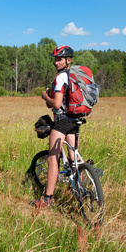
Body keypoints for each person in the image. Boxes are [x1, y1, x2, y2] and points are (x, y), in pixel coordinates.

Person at [33, 45, 77, 208]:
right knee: (73, 159)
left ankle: (47, 199)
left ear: (68, 60)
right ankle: (77, 187)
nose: (56, 62)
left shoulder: (60, 78)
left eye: (59, 59)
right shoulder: (74, 76)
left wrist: (45, 96)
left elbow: (56, 103)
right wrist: (49, 101)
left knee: (53, 158)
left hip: (62, 121)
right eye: (55, 59)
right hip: (75, 119)